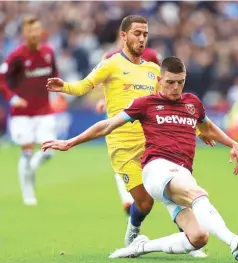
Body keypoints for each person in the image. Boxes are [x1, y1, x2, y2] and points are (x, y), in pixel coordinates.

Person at [42, 56, 238, 261]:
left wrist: (232, 143)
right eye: (171, 82)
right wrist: (70, 142)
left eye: (180, 82)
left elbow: (208, 127)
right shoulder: (146, 104)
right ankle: (234, 241)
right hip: (157, 169)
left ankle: (140, 247)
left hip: (181, 174)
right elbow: (107, 125)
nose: (176, 88)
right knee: (197, 193)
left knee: (198, 237)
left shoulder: (192, 103)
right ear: (160, 80)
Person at [45, 15, 209, 258]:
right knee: (145, 203)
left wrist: (198, 129)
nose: (141, 38)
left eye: (145, 34)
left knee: (172, 190)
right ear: (124, 35)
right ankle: (133, 231)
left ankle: (190, 238)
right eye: (136, 33)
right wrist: (65, 87)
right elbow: (84, 86)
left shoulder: (154, 70)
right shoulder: (111, 64)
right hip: (122, 146)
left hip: (153, 143)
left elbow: (167, 105)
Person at [96, 33, 162, 215]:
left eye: (143, 34)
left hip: (145, 118)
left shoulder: (151, 56)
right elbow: (105, 83)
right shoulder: (110, 58)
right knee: (121, 158)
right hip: (120, 116)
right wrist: (104, 100)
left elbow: (160, 83)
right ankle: (128, 201)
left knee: (148, 160)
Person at [0, 15, 62, 206]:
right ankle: (27, 192)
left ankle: (31, 170)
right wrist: (13, 98)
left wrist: (58, 92)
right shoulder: (17, 56)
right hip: (23, 114)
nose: (35, 33)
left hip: (44, 111)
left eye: (37, 29)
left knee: (49, 150)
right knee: (26, 152)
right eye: (31, 30)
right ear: (25, 33)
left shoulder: (48, 52)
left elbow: (54, 75)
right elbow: (2, 79)